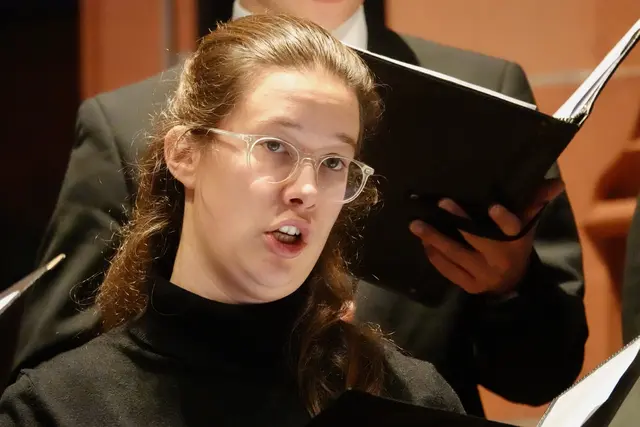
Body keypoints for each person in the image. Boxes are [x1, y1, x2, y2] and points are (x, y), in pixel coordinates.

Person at [9, 0, 588, 416]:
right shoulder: (58, 405)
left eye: (335, 162)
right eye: (274, 147)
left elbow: (544, 368)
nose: (306, 190)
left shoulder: (416, 393)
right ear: (182, 152)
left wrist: (510, 287)